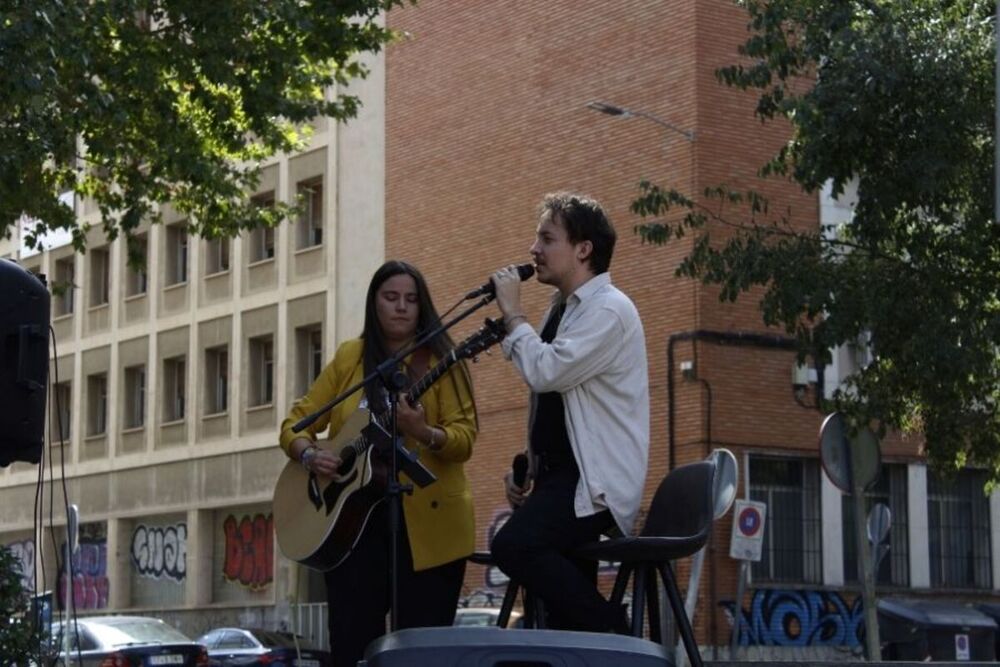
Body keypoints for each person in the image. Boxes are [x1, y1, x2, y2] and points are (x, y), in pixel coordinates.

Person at [279, 260, 477, 667]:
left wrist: (423, 432)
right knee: (352, 647)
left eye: (411, 299)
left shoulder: (441, 359)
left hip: (430, 530)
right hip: (353, 528)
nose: (402, 307)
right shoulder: (351, 356)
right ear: (374, 304)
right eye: (391, 297)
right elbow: (296, 423)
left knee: (421, 654)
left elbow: (464, 438)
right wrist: (310, 454)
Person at [489, 192, 650, 633]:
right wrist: (529, 471)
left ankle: (615, 634)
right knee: (560, 621)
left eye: (546, 238)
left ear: (583, 249)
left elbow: (547, 371)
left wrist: (512, 313)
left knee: (514, 547)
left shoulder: (609, 310)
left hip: (593, 485)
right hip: (562, 480)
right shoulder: (563, 310)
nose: (533, 250)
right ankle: (597, 644)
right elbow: (555, 407)